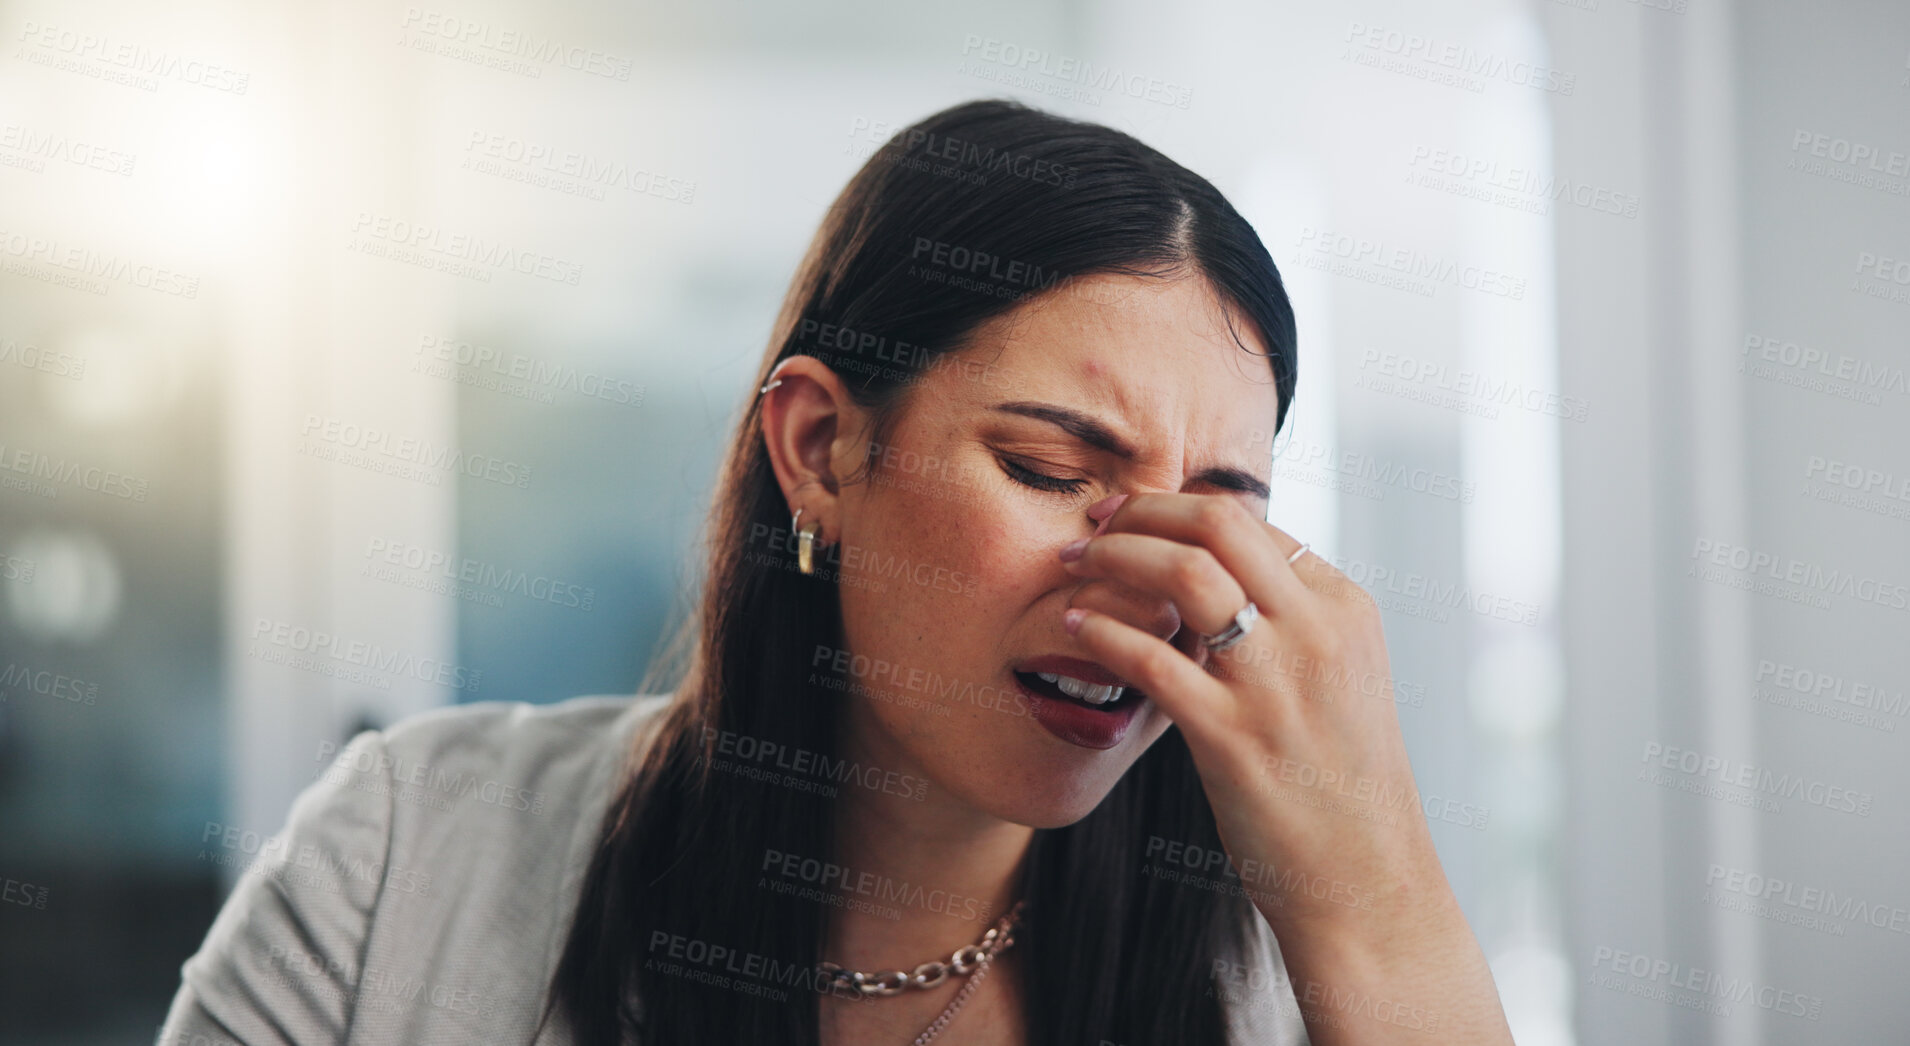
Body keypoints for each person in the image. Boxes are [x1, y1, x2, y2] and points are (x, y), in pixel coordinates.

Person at [159, 98, 1515, 1046]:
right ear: (818, 449)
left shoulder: (1291, 977)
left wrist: (1377, 903)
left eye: (1219, 510)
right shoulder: (409, 857)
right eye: (1049, 470)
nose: (1155, 585)